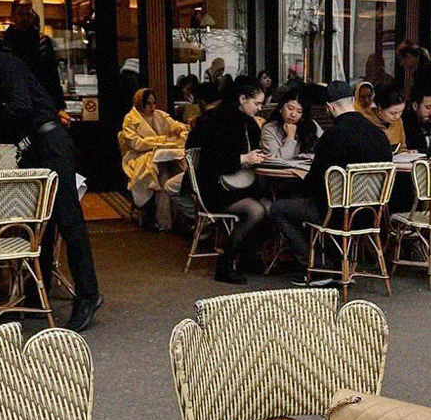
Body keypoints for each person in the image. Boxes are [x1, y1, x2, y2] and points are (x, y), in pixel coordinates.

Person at [0, 21, 102, 332]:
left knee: (68, 220)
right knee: (41, 223)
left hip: (50, 144)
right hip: (33, 148)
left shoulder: (1, 62)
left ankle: (88, 295)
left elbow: (21, 109)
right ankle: (37, 297)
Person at [269, 79, 393, 283]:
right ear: (353, 101)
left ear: (329, 108)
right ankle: (337, 265)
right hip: (370, 214)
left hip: (335, 214)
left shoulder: (332, 136)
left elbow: (313, 184)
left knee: (278, 209)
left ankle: (314, 266)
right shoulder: (379, 135)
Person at [193, 75, 270, 285]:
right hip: (215, 187)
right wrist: (244, 159)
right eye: (256, 103)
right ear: (242, 98)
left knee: (270, 206)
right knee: (256, 211)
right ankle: (225, 264)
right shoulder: (217, 120)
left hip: (238, 185)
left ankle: (248, 255)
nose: (259, 109)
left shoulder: (248, 122)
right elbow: (211, 161)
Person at [121, 89, 188, 231]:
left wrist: (178, 129)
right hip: (140, 156)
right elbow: (136, 144)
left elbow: (176, 125)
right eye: (148, 104)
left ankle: (181, 218)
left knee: (179, 171)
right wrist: (160, 140)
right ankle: (165, 220)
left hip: (165, 156)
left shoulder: (160, 115)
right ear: (140, 104)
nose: (152, 107)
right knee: (162, 175)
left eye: (154, 103)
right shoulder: (130, 119)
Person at [2, 0, 66, 114]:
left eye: (28, 13)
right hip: (17, 96)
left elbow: (52, 75)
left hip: (40, 96)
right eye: (22, 13)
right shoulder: (7, 42)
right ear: (14, 16)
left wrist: (59, 106)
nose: (25, 17)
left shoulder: (41, 41)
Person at [260, 88, 321, 159]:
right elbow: (277, 159)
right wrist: (290, 137)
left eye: (299, 112)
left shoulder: (311, 125)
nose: (293, 114)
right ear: (281, 108)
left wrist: (307, 156)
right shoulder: (269, 129)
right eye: (290, 108)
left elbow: (324, 151)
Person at [360, 81, 407, 153]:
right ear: (379, 108)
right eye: (392, 113)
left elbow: (402, 147)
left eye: (401, 112)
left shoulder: (398, 122)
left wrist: (406, 153)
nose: (397, 117)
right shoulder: (365, 121)